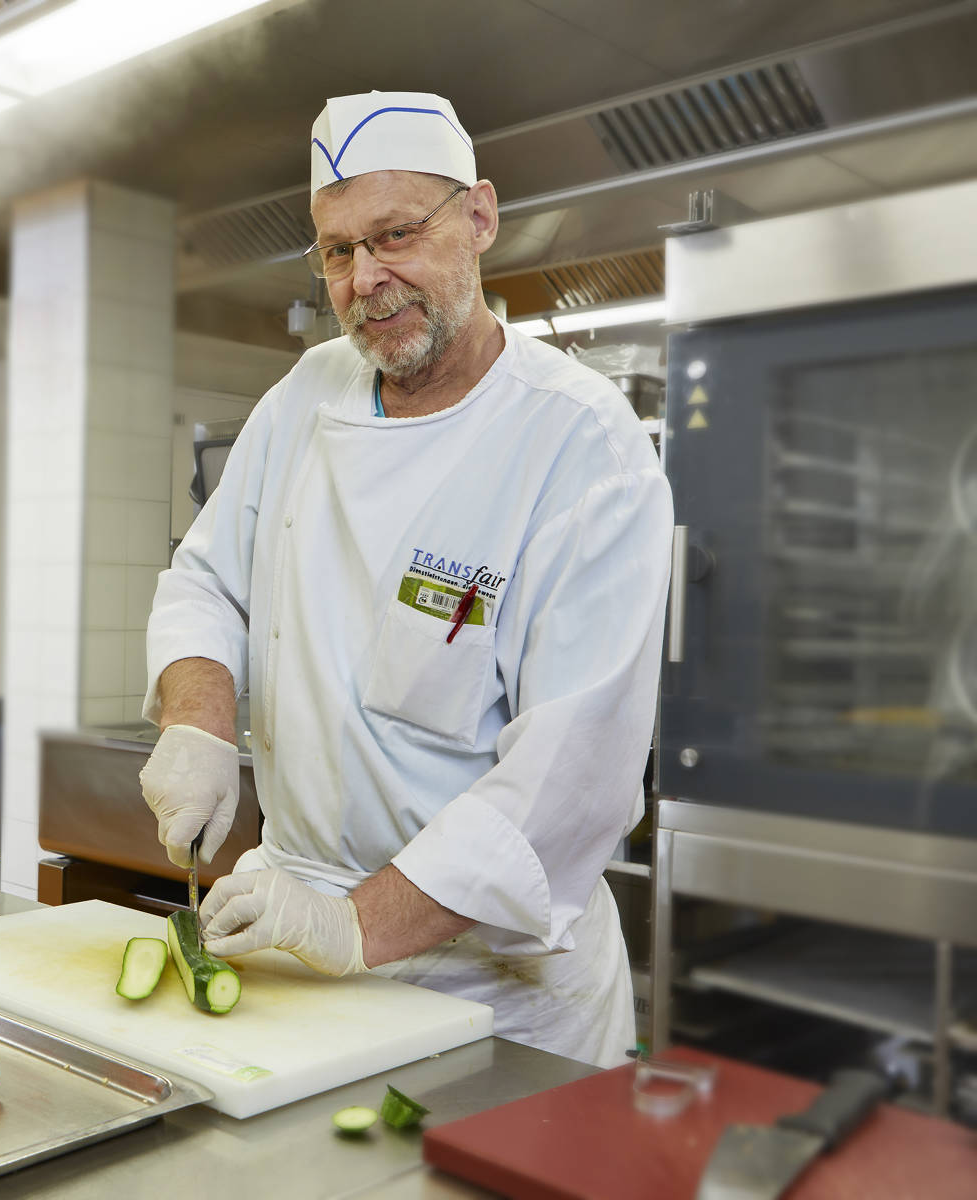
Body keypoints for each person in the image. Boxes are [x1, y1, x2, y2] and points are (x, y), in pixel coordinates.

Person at [138, 91, 673, 1067]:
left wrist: (349, 926)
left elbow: (568, 786)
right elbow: (207, 578)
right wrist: (198, 717)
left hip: (496, 990)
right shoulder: (306, 395)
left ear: (480, 217)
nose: (366, 280)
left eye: (395, 235)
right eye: (337, 251)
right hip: (292, 952)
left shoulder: (582, 446)